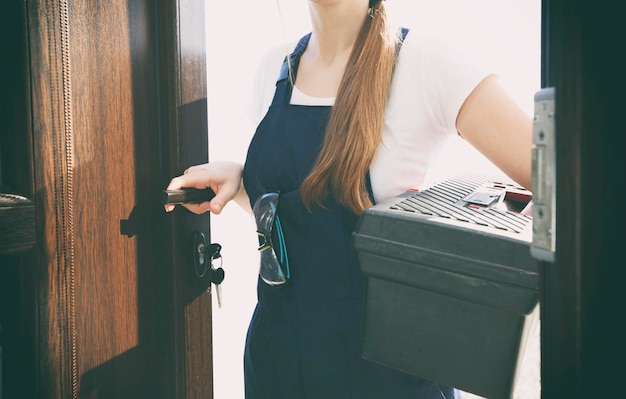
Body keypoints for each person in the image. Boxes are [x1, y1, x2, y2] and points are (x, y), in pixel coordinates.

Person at [165, 0, 532, 398]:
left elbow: (565, 185)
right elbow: (294, 222)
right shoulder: (277, 67)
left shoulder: (426, 63)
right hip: (277, 367)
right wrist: (241, 185)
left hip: (384, 380)